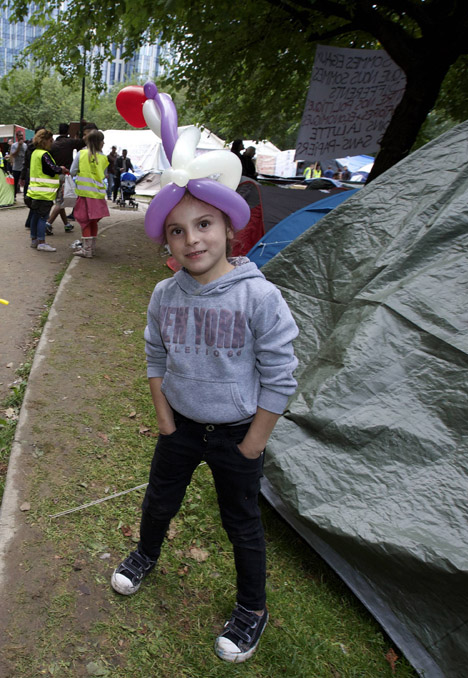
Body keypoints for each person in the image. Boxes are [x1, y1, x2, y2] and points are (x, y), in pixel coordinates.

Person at [110, 83, 298, 665]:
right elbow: (155, 354)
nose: (192, 239)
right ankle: (145, 553)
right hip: (182, 428)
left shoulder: (259, 298)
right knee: (159, 499)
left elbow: (281, 373)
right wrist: (164, 417)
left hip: (237, 432)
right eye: (178, 229)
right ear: (166, 239)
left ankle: (252, 609)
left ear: (229, 228)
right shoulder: (165, 295)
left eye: (205, 225)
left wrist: (252, 444)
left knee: (241, 523)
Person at [69, 130, 110, 258]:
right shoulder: (103, 158)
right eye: (102, 140)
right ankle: (91, 247)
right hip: (98, 194)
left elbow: (72, 171)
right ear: (99, 142)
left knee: (84, 220)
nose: (104, 143)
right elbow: (104, 174)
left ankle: (86, 250)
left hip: (84, 193)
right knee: (93, 221)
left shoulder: (81, 154)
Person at [25, 128, 67, 252]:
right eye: (50, 140)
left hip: (34, 192)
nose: (52, 142)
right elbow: (51, 169)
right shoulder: (44, 154)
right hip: (44, 193)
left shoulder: (35, 153)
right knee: (43, 217)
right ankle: (42, 242)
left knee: (35, 217)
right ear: (45, 141)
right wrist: (61, 169)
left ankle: (34, 240)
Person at [47, 123, 90, 233]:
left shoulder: (53, 144)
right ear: (67, 132)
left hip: (54, 175)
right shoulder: (69, 142)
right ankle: (48, 224)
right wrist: (82, 131)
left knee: (60, 200)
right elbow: (83, 142)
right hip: (65, 175)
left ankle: (66, 224)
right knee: (60, 202)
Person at [8, 130, 28, 199]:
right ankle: (13, 196)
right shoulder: (14, 145)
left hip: (23, 167)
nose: (21, 137)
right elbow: (14, 155)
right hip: (16, 167)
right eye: (20, 136)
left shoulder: (25, 145)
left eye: (22, 136)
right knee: (15, 183)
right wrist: (19, 146)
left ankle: (25, 196)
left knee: (26, 182)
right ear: (17, 137)